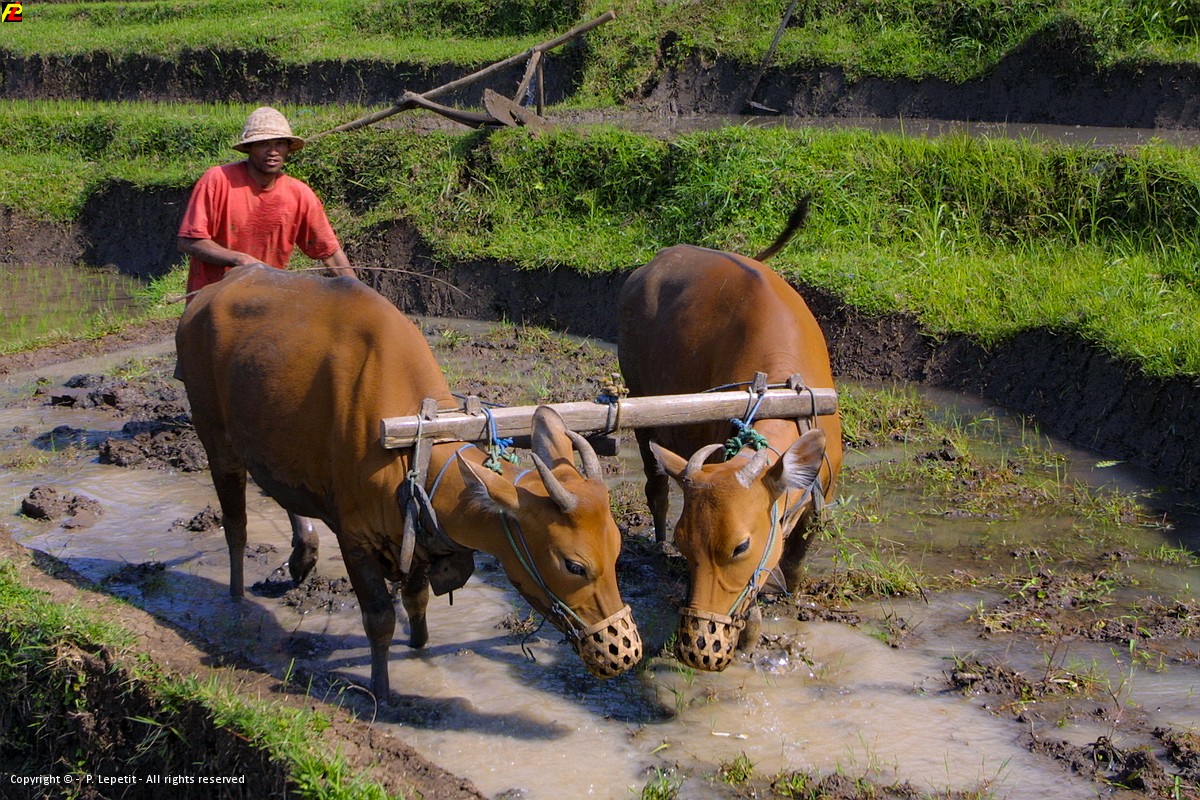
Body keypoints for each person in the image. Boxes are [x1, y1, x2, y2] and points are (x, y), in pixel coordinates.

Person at [177, 106, 355, 299]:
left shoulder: (299, 195)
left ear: (288, 149)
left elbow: (330, 253)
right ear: (249, 148)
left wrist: (359, 292)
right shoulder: (217, 180)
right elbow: (189, 241)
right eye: (263, 144)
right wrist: (240, 259)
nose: (272, 152)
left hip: (265, 300)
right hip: (212, 300)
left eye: (279, 144)